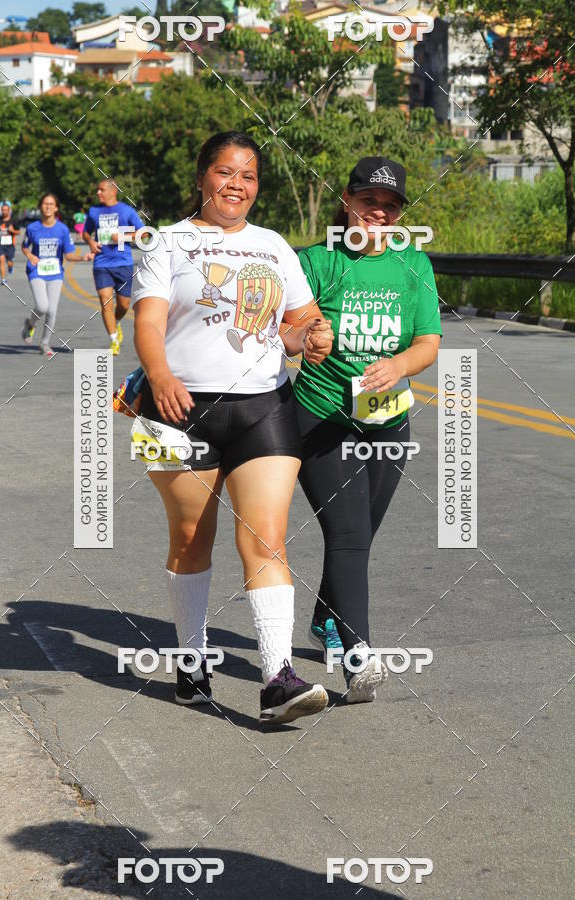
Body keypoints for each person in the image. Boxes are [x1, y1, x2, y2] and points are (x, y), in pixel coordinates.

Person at [132, 131, 334, 725]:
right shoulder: (168, 242)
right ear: (202, 178)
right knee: (192, 535)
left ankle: (277, 678)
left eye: (247, 176)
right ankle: (192, 661)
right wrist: (160, 372)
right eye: (224, 173)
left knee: (266, 537)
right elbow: (149, 320)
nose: (236, 185)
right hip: (179, 407)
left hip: (264, 405)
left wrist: (311, 338)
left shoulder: (274, 246)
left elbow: (296, 325)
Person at [293, 156, 442, 703]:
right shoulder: (317, 260)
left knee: (361, 532)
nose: (378, 212)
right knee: (349, 533)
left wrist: (400, 365)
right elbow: (280, 324)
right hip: (322, 418)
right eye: (368, 200)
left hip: (388, 418)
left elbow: (428, 342)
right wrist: (306, 334)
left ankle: (326, 618)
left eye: (390, 205)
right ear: (348, 200)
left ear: (401, 213)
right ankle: (361, 659)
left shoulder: (413, 265)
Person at [21, 193, 93, 356]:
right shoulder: (33, 228)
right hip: (36, 271)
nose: (48, 207)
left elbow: (68, 255)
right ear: (40, 207)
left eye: (51, 204)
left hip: (55, 273)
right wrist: (30, 255)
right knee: (42, 306)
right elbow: (25, 246)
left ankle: (44, 344)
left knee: (52, 310)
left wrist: (83, 257)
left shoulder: (62, 229)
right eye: (45, 204)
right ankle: (30, 324)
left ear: (56, 208)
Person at [83, 179, 144, 355]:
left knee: (124, 305)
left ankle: (116, 322)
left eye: (101, 190)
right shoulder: (94, 211)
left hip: (123, 263)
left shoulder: (126, 211)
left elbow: (143, 233)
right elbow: (86, 232)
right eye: (98, 190)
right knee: (105, 300)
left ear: (113, 191)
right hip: (101, 263)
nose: (98, 193)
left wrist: (123, 236)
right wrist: (91, 241)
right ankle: (113, 339)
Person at [0, 203, 20, 285]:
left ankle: (11, 266)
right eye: (3, 210)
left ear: (9, 211)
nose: (4, 212)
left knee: (9, 262)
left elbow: (18, 232)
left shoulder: (14, 220)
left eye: (6, 210)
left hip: (10, 244)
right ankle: (3, 279)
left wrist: (12, 231)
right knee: (1, 260)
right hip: (0, 244)